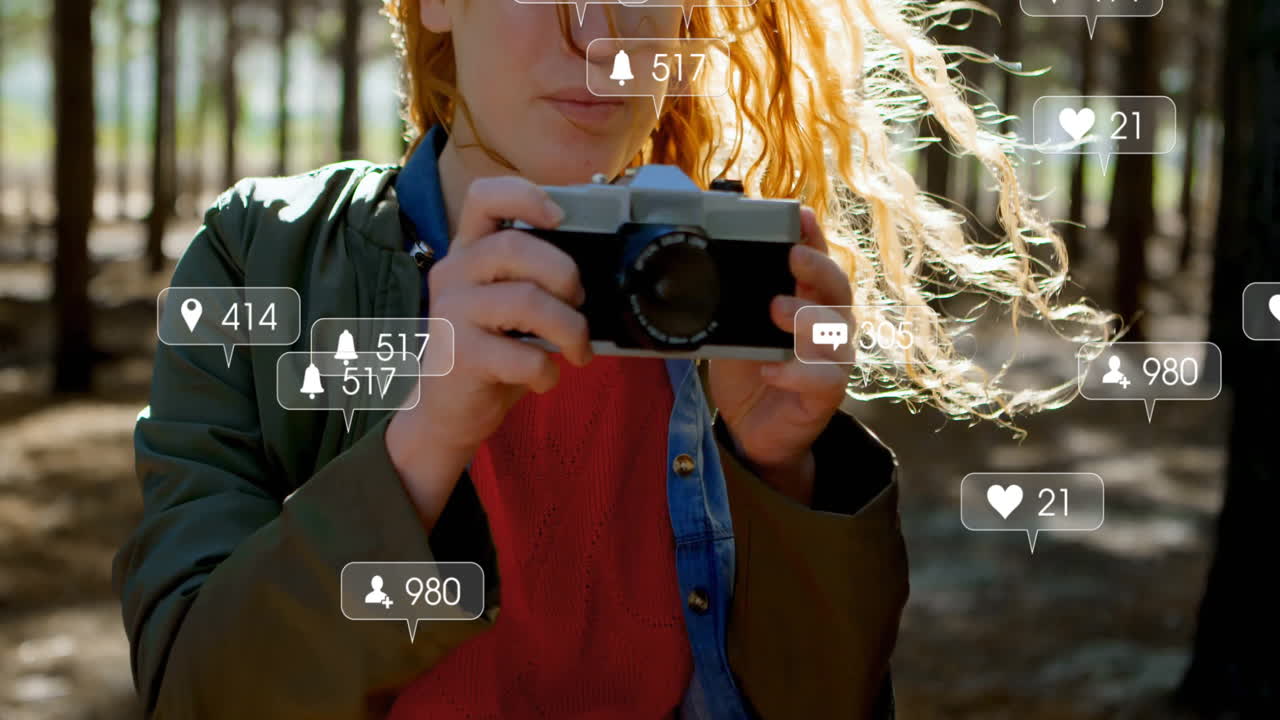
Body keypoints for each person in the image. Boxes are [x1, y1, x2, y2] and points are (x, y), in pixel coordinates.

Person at [112, 1, 1115, 718]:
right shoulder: (260, 257)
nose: (596, 35)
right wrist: (421, 445)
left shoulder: (732, 286)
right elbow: (196, 693)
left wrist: (782, 477)